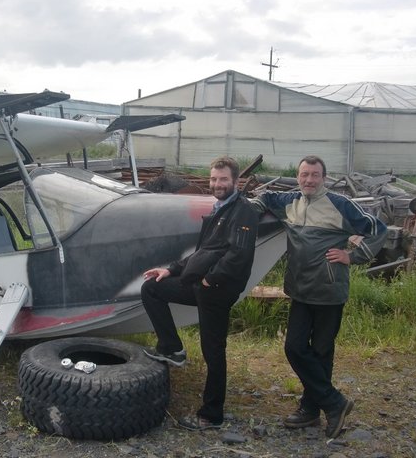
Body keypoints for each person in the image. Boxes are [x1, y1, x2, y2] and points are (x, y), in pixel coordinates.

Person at [251, 155, 387, 439]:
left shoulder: (340, 205)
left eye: (314, 175)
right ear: (298, 176)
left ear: (323, 178)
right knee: (295, 347)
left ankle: (311, 409)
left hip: (329, 291)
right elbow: (264, 198)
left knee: (322, 352)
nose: (309, 180)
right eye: (304, 174)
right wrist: (251, 207)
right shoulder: (290, 201)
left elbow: (377, 229)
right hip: (300, 291)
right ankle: (334, 403)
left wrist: (353, 255)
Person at [141, 156, 259, 431]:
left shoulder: (243, 212)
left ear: (235, 181)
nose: (218, 184)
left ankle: (211, 414)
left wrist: (210, 280)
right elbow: (203, 253)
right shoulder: (219, 208)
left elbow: (239, 256)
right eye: (214, 179)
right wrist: (171, 270)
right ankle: (172, 349)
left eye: (223, 180)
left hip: (216, 291)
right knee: (152, 288)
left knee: (213, 351)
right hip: (200, 285)